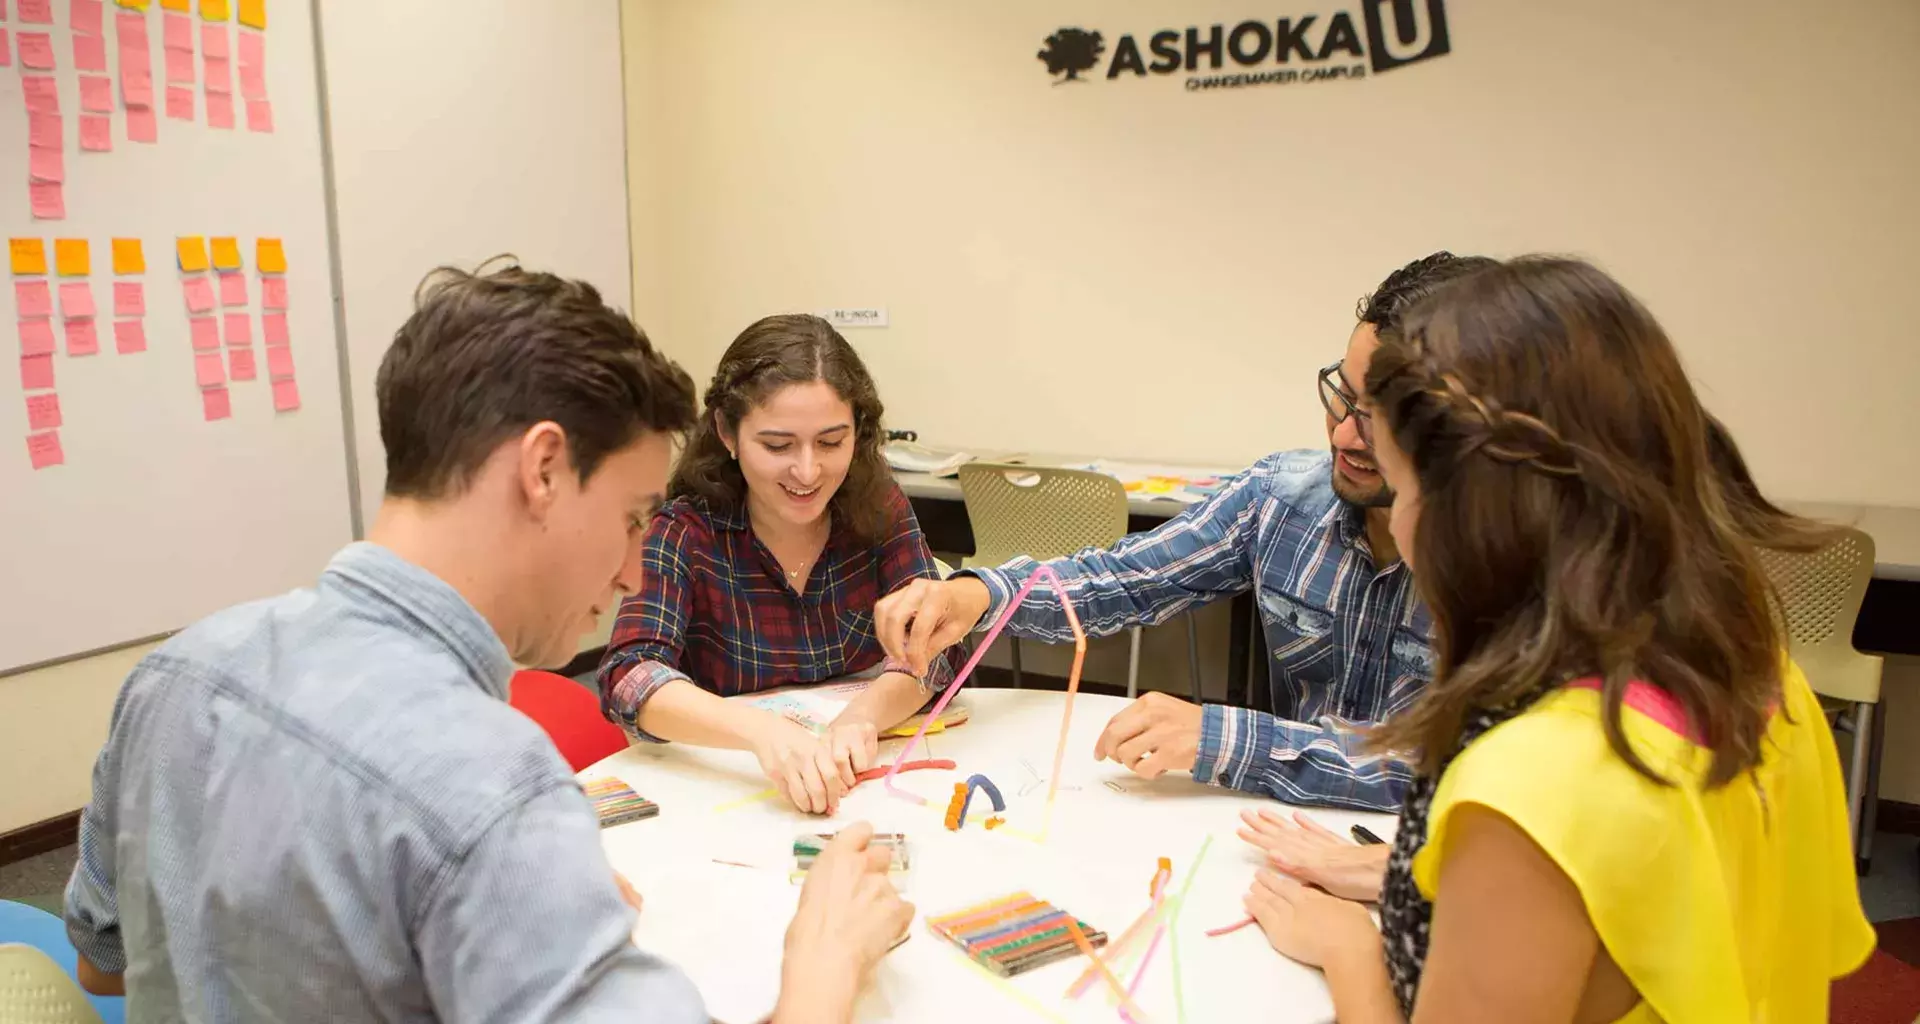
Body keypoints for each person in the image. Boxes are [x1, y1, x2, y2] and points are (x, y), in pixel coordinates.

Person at [62, 262, 913, 1023]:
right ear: (543, 471)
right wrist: (825, 963)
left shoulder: (172, 672)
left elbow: (107, 972)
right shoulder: (490, 787)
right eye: (628, 519)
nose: (627, 571)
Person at [1240, 256, 1870, 1020]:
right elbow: (1653, 897)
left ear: (1479, 517)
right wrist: (1410, 874)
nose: (1398, 526)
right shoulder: (1758, 673)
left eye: (1402, 491)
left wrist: (1351, 950)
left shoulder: (1530, 786)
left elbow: (1561, 845)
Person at [874, 252, 1495, 813]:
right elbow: (1123, 578)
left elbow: (1469, 773)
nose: (1343, 435)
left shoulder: (1514, 564)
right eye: (1343, 397)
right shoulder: (1281, 499)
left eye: (1380, 417)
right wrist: (977, 594)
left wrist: (1225, 738)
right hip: (1282, 834)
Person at [1230, 409, 1840, 903]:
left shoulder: (1544, 761)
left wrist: (1345, 950)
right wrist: (1392, 871)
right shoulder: (1764, 679)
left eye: (1417, 484)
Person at [596, 314, 965, 816]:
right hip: (735, 790)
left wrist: (861, 718)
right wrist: (762, 734)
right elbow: (630, 676)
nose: (808, 471)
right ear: (728, 432)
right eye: (777, 446)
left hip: (862, 782)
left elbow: (935, 645)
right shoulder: (685, 530)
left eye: (832, 442)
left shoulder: (879, 508)